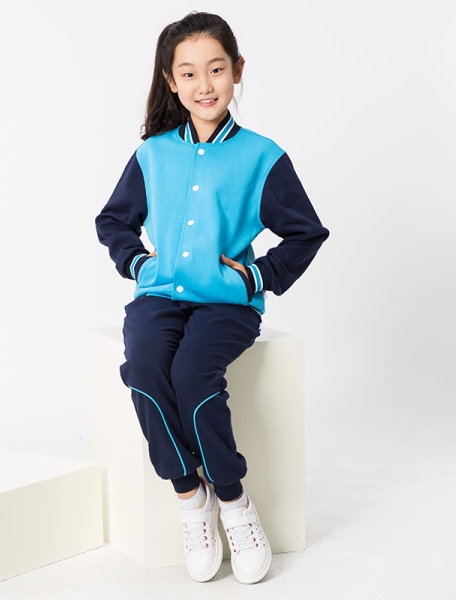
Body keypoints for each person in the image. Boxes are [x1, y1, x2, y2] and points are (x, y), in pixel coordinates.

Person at [95, 11, 328, 585]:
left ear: (237, 71)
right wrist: (139, 262)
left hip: (226, 305)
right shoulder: (153, 155)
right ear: (171, 81)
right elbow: (113, 221)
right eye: (189, 73)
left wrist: (256, 278)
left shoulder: (262, 156)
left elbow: (306, 232)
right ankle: (189, 496)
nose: (205, 85)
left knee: (194, 376)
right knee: (144, 370)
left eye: (217, 69)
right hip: (158, 298)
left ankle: (232, 500)